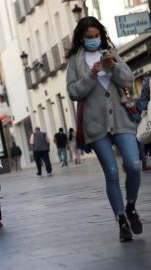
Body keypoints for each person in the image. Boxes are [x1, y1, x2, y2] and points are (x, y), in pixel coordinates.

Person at [66, 16, 142, 242]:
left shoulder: (111, 52)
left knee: (134, 165)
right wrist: (91, 75)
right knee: (111, 172)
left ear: (101, 35)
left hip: (121, 120)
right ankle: (121, 220)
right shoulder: (76, 61)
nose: (93, 40)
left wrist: (115, 68)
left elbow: (128, 81)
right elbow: (72, 92)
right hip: (94, 124)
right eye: (89, 37)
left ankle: (130, 206)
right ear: (82, 38)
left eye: (96, 36)